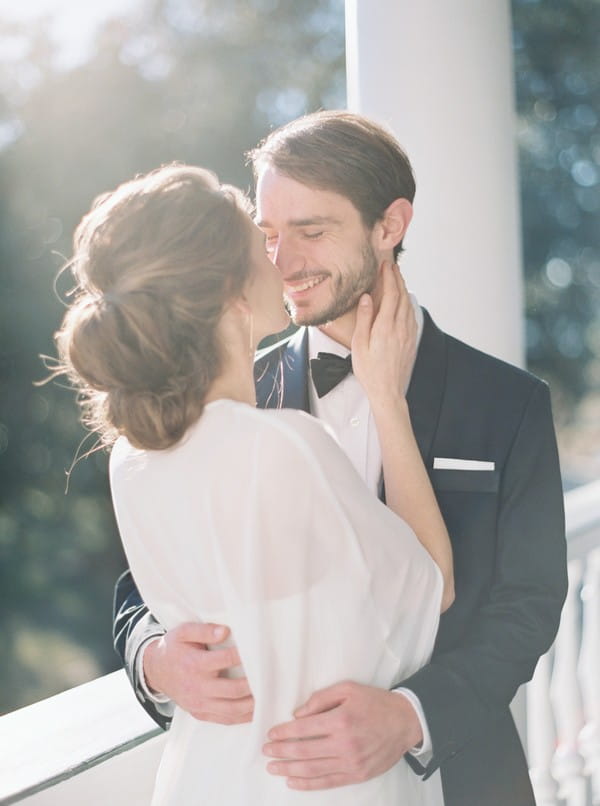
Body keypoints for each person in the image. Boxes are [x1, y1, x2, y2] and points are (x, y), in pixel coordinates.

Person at [113, 112, 568, 806]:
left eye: (311, 230)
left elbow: (528, 607)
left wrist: (411, 716)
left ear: (390, 226)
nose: (281, 261)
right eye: (267, 235)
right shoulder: (226, 391)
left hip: (461, 779)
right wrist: (154, 661)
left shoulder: (509, 403)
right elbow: (145, 578)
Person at [58, 163, 455, 805]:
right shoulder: (283, 447)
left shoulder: (128, 455)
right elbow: (432, 584)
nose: (282, 265)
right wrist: (386, 398)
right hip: (318, 788)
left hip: (205, 781)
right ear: (229, 291)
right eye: (260, 246)